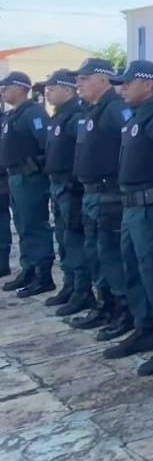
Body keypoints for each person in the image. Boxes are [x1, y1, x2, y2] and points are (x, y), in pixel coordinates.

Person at [103, 60, 153, 376]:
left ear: (148, 84)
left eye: (128, 82)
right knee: (133, 269)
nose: (121, 88)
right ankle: (143, 328)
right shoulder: (136, 118)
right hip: (131, 207)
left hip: (151, 209)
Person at [69, 58, 132, 333]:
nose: (78, 84)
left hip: (111, 194)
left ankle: (123, 311)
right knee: (94, 252)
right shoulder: (92, 111)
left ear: (103, 79)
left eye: (84, 79)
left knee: (112, 255)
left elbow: (132, 147)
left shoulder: (116, 110)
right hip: (91, 193)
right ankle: (104, 305)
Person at [42, 69, 93, 314]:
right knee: (63, 238)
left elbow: (82, 153)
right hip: (57, 184)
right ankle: (70, 285)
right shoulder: (59, 116)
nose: (48, 94)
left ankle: (82, 291)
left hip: (71, 187)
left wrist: (74, 184)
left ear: (67, 89)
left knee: (74, 239)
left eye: (52, 89)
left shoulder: (76, 117)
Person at [0, 70, 54, 297]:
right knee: (23, 226)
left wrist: (37, 166)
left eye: (7, 87)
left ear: (22, 88)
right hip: (14, 177)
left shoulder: (33, 113)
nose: (3, 91)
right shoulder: (13, 115)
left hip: (30, 178)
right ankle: (29, 268)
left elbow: (47, 144)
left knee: (34, 226)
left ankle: (43, 274)